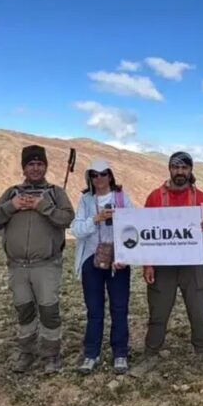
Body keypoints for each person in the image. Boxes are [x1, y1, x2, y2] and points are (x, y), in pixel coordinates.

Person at [134, 151, 203, 375]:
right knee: (158, 312)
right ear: (169, 169)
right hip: (163, 266)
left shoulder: (200, 197)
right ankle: (150, 355)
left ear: (191, 170)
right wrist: (148, 264)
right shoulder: (155, 197)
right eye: (176, 168)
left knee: (198, 312)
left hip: (193, 265)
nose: (180, 172)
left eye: (184, 168)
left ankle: (202, 355)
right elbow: (146, 233)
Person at [0, 146, 75, 375]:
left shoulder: (56, 193)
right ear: (23, 167)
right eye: (31, 164)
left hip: (46, 265)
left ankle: (51, 354)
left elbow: (67, 219)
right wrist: (11, 206)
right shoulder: (11, 193)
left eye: (39, 164)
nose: (35, 168)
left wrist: (42, 207)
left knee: (49, 310)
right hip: (17, 266)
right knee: (24, 310)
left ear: (45, 166)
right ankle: (26, 351)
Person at [69, 159, 135, 375]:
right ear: (90, 177)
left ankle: (120, 353)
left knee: (119, 308)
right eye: (94, 174)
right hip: (91, 259)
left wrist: (126, 253)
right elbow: (76, 230)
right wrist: (95, 219)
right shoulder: (86, 200)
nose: (99, 179)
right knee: (94, 310)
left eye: (103, 173)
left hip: (118, 261)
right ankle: (91, 353)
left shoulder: (122, 197)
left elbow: (134, 225)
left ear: (110, 175)